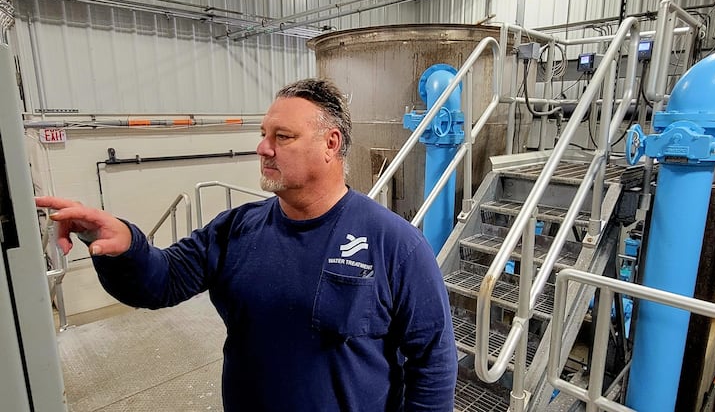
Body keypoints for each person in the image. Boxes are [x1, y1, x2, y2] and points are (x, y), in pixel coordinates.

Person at [37, 78, 457, 411]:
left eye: (283, 136)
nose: (262, 148)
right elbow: (160, 281)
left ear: (330, 145)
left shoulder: (394, 244)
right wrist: (124, 244)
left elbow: (433, 362)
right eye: (263, 134)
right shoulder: (235, 229)